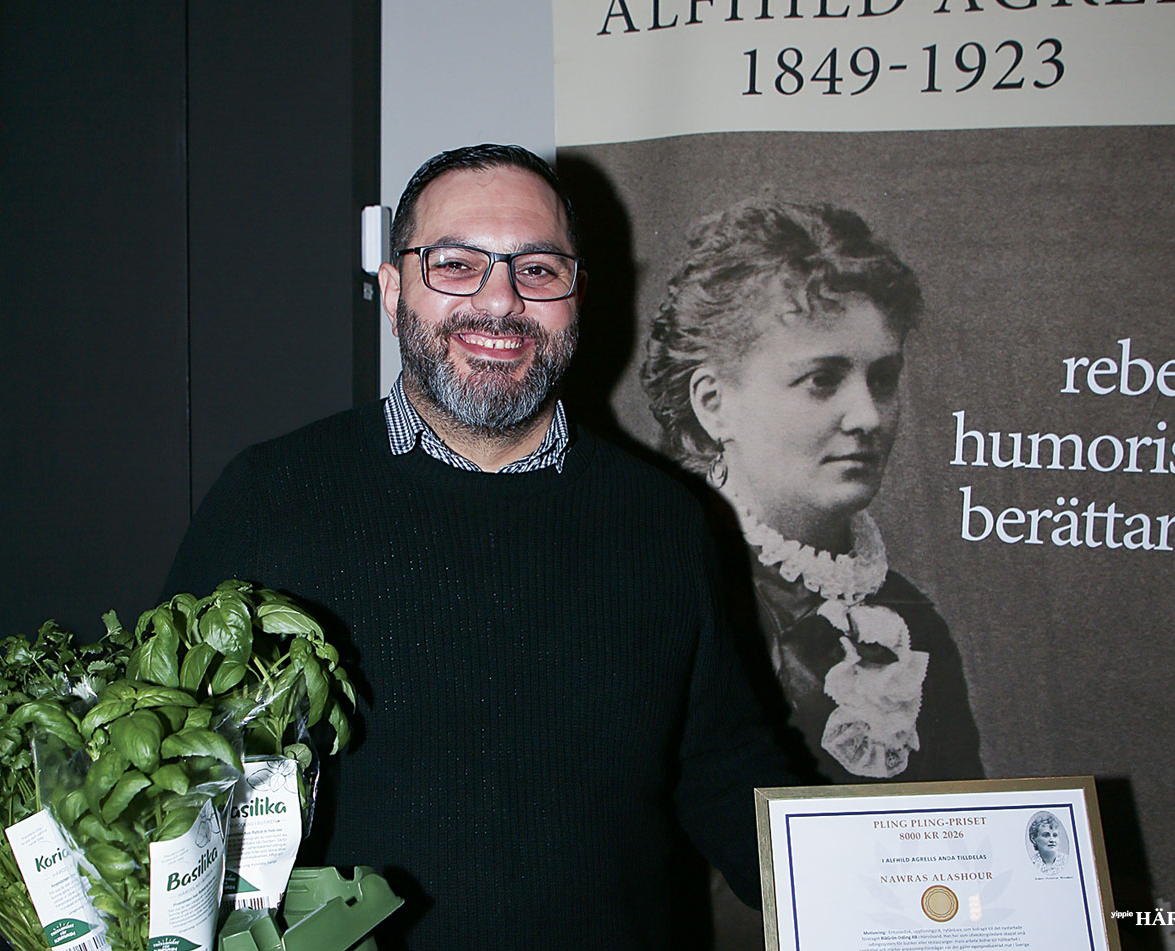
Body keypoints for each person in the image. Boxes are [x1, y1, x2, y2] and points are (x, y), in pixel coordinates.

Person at [164, 145, 791, 949]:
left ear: (578, 296)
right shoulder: (270, 497)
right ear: (393, 292)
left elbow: (725, 769)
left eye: (537, 269)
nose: (500, 301)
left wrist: (891, 897)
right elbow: (169, 777)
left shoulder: (664, 519)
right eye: (456, 264)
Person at [641, 198, 982, 783]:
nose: (868, 416)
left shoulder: (910, 622)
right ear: (713, 403)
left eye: (883, 378)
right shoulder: (662, 595)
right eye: (822, 380)